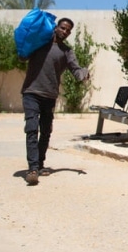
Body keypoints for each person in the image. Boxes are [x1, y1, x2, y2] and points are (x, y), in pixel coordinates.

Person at [21, 17, 89, 186]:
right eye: (63, 28)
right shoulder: (39, 43)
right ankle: (33, 168)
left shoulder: (67, 52)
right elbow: (23, 55)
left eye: (68, 30)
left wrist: (84, 74)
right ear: (56, 27)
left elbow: (76, 71)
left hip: (50, 96)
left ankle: (40, 163)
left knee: (45, 131)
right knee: (31, 129)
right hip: (31, 92)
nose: (65, 32)